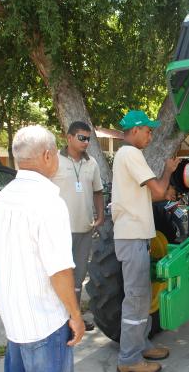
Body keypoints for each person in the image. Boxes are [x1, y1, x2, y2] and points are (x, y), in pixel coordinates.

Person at [0, 125, 85, 372]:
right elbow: (60, 270)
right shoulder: (49, 202)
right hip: (46, 324)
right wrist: (75, 315)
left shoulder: (2, 198)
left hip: (14, 323)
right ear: (46, 156)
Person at [111, 110, 180, 372]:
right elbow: (160, 191)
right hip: (132, 237)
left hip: (137, 236)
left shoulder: (126, 156)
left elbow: (148, 198)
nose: (151, 135)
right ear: (136, 130)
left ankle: (142, 345)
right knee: (137, 298)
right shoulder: (130, 153)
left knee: (142, 295)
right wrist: (168, 170)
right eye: (148, 130)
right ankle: (128, 360)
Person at [51, 121, 104, 331]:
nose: (86, 142)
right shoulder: (54, 160)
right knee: (58, 275)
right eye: (82, 138)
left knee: (78, 276)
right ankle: (57, 322)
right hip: (58, 231)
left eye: (88, 138)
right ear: (69, 137)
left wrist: (100, 216)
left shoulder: (92, 163)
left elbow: (98, 191)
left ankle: (75, 319)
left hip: (84, 229)